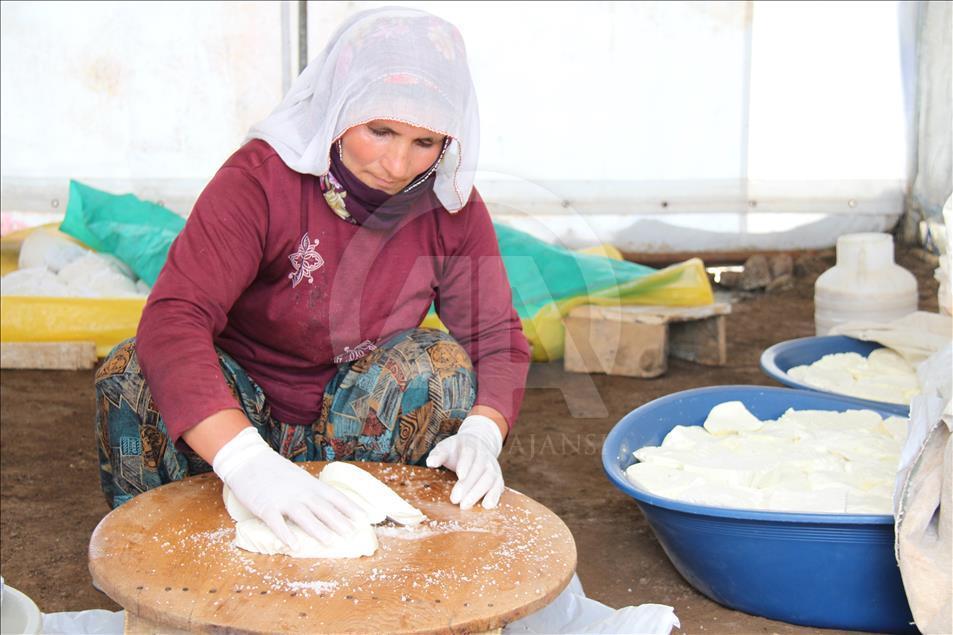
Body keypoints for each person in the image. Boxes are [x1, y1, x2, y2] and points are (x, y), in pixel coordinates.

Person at [94, 6, 530, 551]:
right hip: (238, 416)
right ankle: (173, 568)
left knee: (440, 369)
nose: (397, 164)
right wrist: (246, 461)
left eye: (425, 142)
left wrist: (484, 432)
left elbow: (496, 340)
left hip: (357, 431)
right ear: (340, 103)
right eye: (381, 130)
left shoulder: (450, 207)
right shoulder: (259, 179)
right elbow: (174, 317)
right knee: (132, 372)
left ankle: (381, 566)